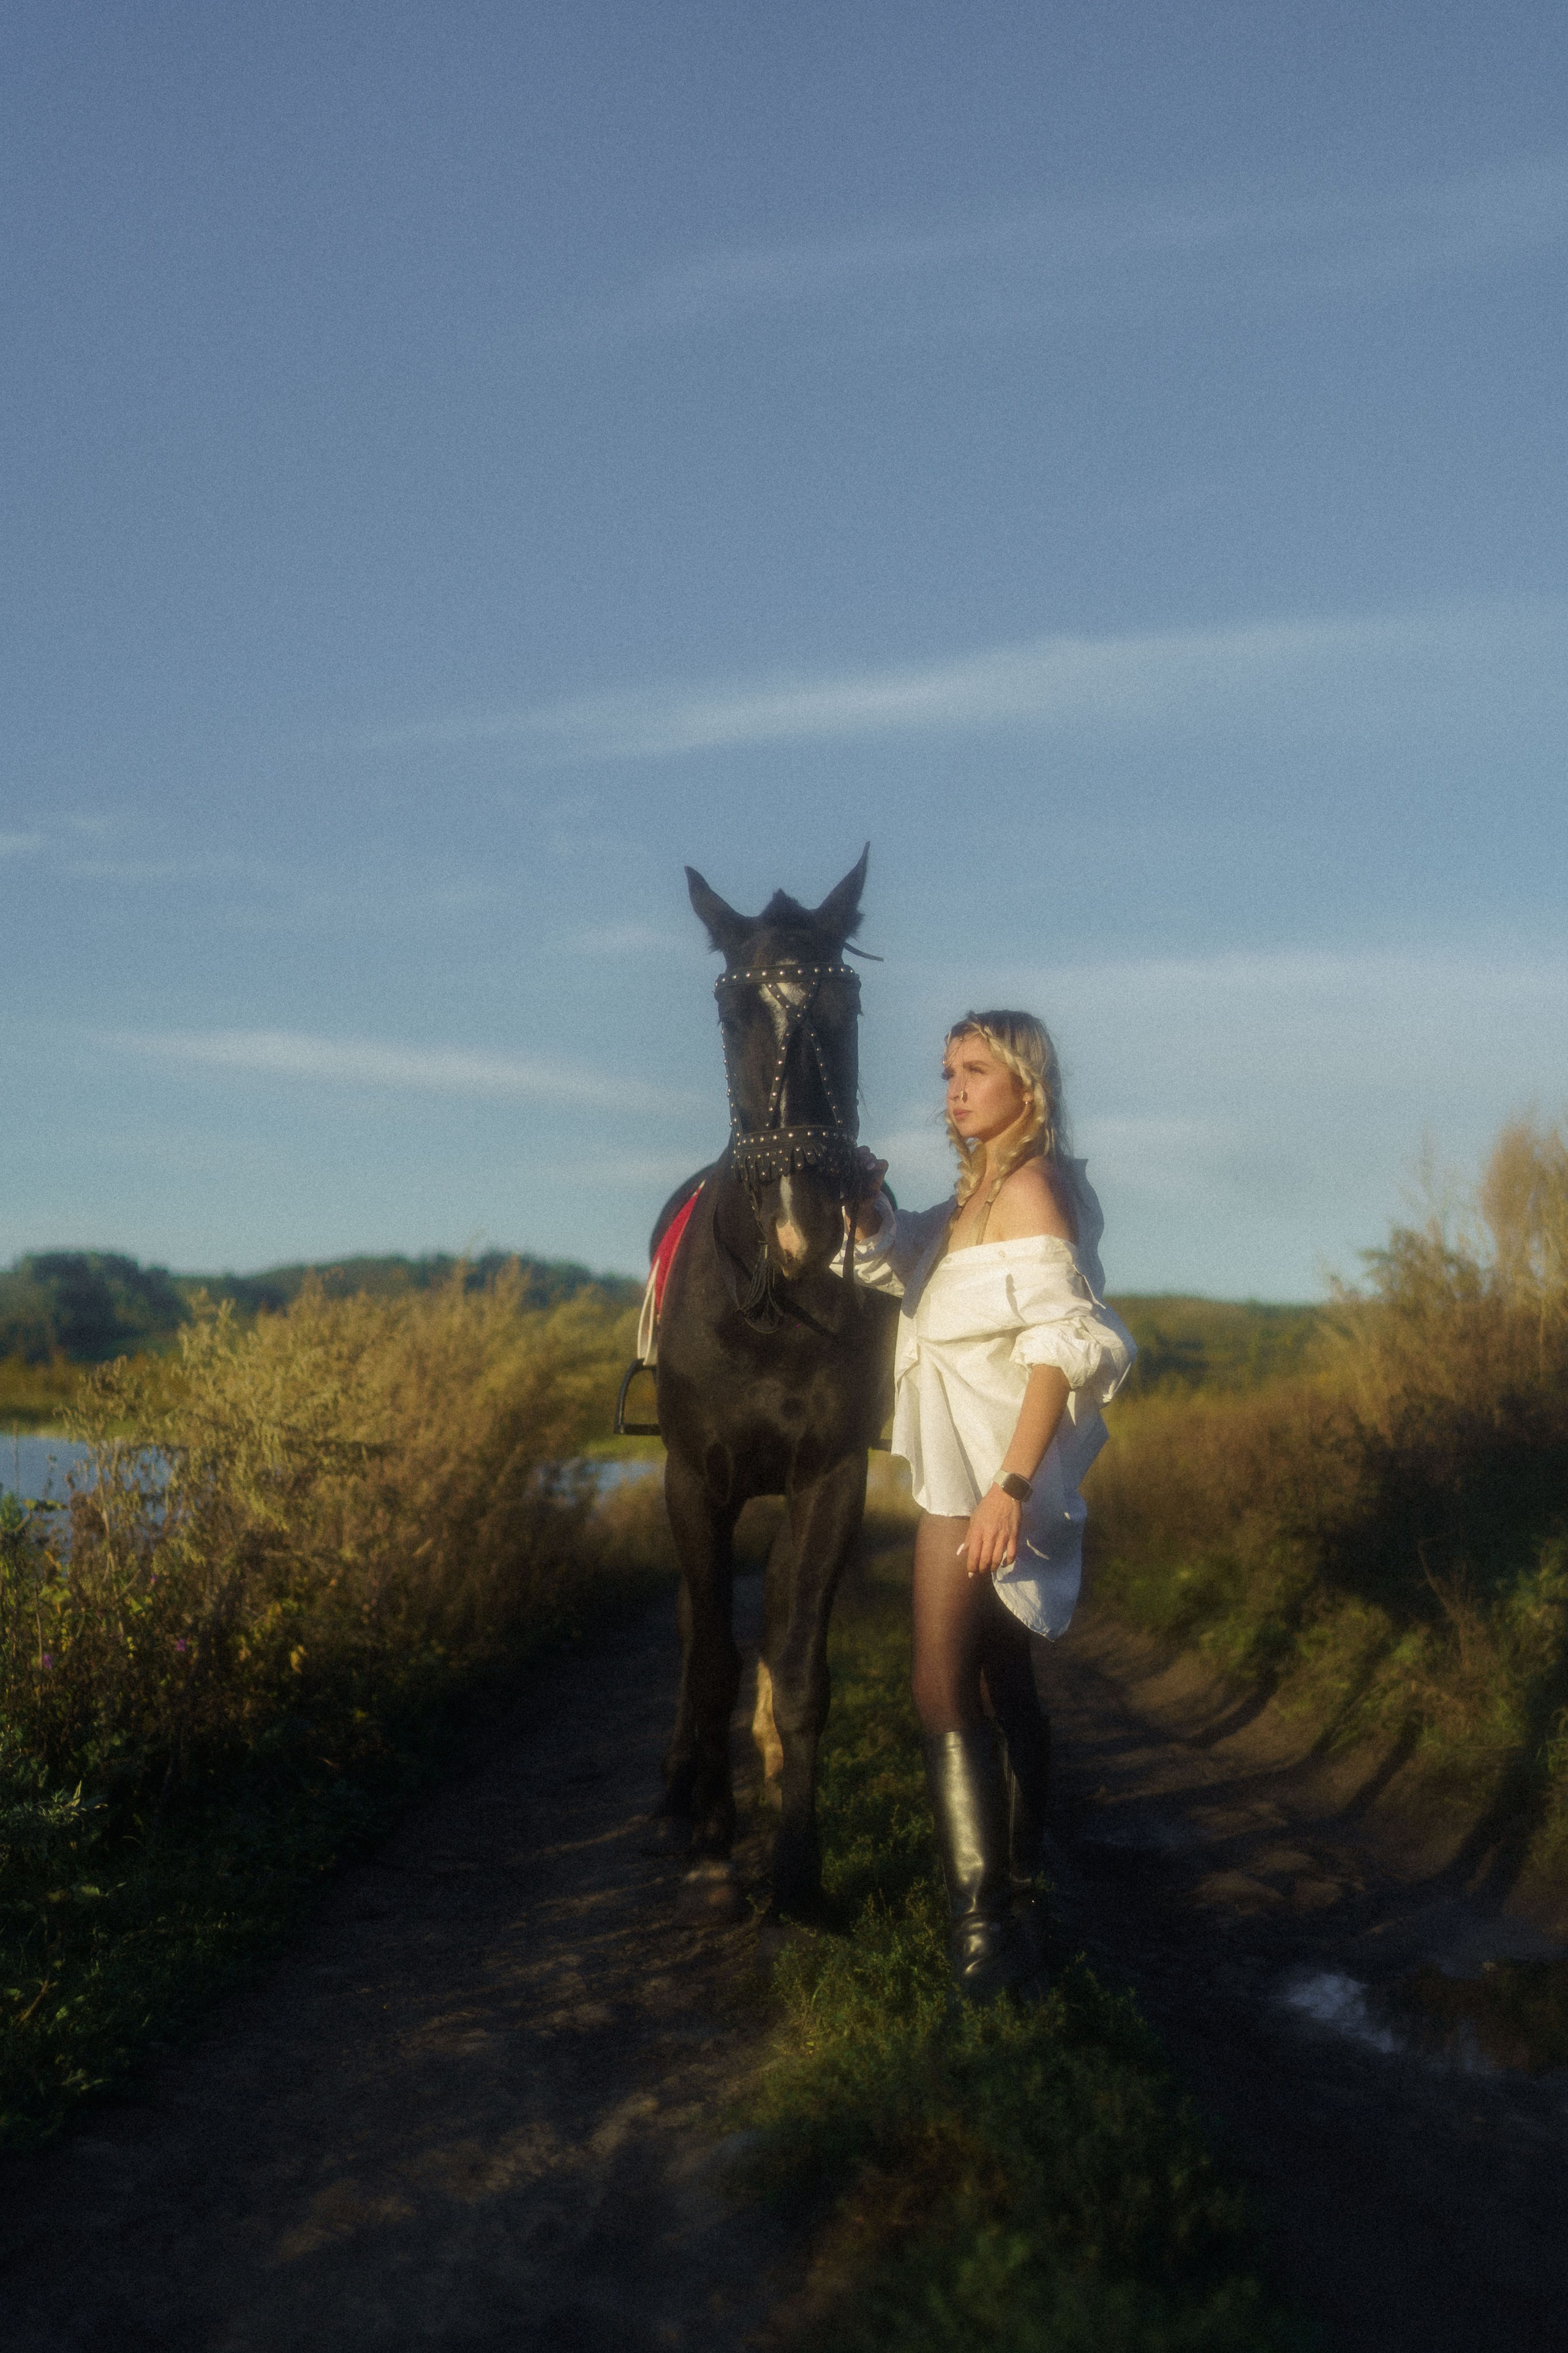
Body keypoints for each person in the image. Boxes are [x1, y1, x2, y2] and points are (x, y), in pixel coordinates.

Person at [848, 1011, 1135, 2002]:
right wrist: (868, 1211)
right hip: (964, 1470)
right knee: (998, 1681)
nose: (953, 1090)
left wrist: (1010, 1488)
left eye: (975, 1070)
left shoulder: (1034, 1187)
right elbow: (905, 1266)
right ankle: (1018, 1901)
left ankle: (986, 1941)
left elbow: (1063, 1344)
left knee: (940, 1685)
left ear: (1026, 1078)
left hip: (991, 1478)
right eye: (946, 1073)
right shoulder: (976, 1195)